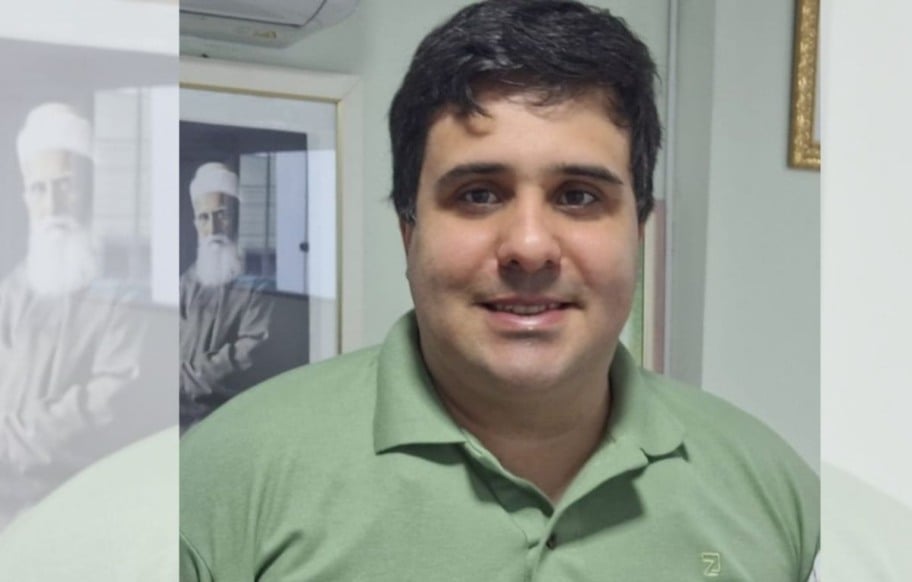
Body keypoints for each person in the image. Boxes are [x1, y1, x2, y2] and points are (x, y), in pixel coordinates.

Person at [180, 1, 820, 580]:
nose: (530, 247)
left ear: (638, 231)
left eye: (578, 196)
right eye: (479, 194)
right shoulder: (222, 480)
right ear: (409, 231)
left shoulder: (773, 494)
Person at [0, 103, 147, 529]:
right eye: (39, 189)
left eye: (66, 185)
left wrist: (8, 444)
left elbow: (110, 404)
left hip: (77, 510)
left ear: (91, 188)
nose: (53, 205)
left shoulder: (126, 297)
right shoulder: (13, 291)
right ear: (26, 198)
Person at [179, 162, 275, 430]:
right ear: (195, 223)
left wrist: (181, 381)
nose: (213, 230)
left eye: (222, 215)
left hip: (228, 422)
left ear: (238, 217)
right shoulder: (186, 284)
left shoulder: (260, 287)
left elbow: (248, 357)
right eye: (204, 218)